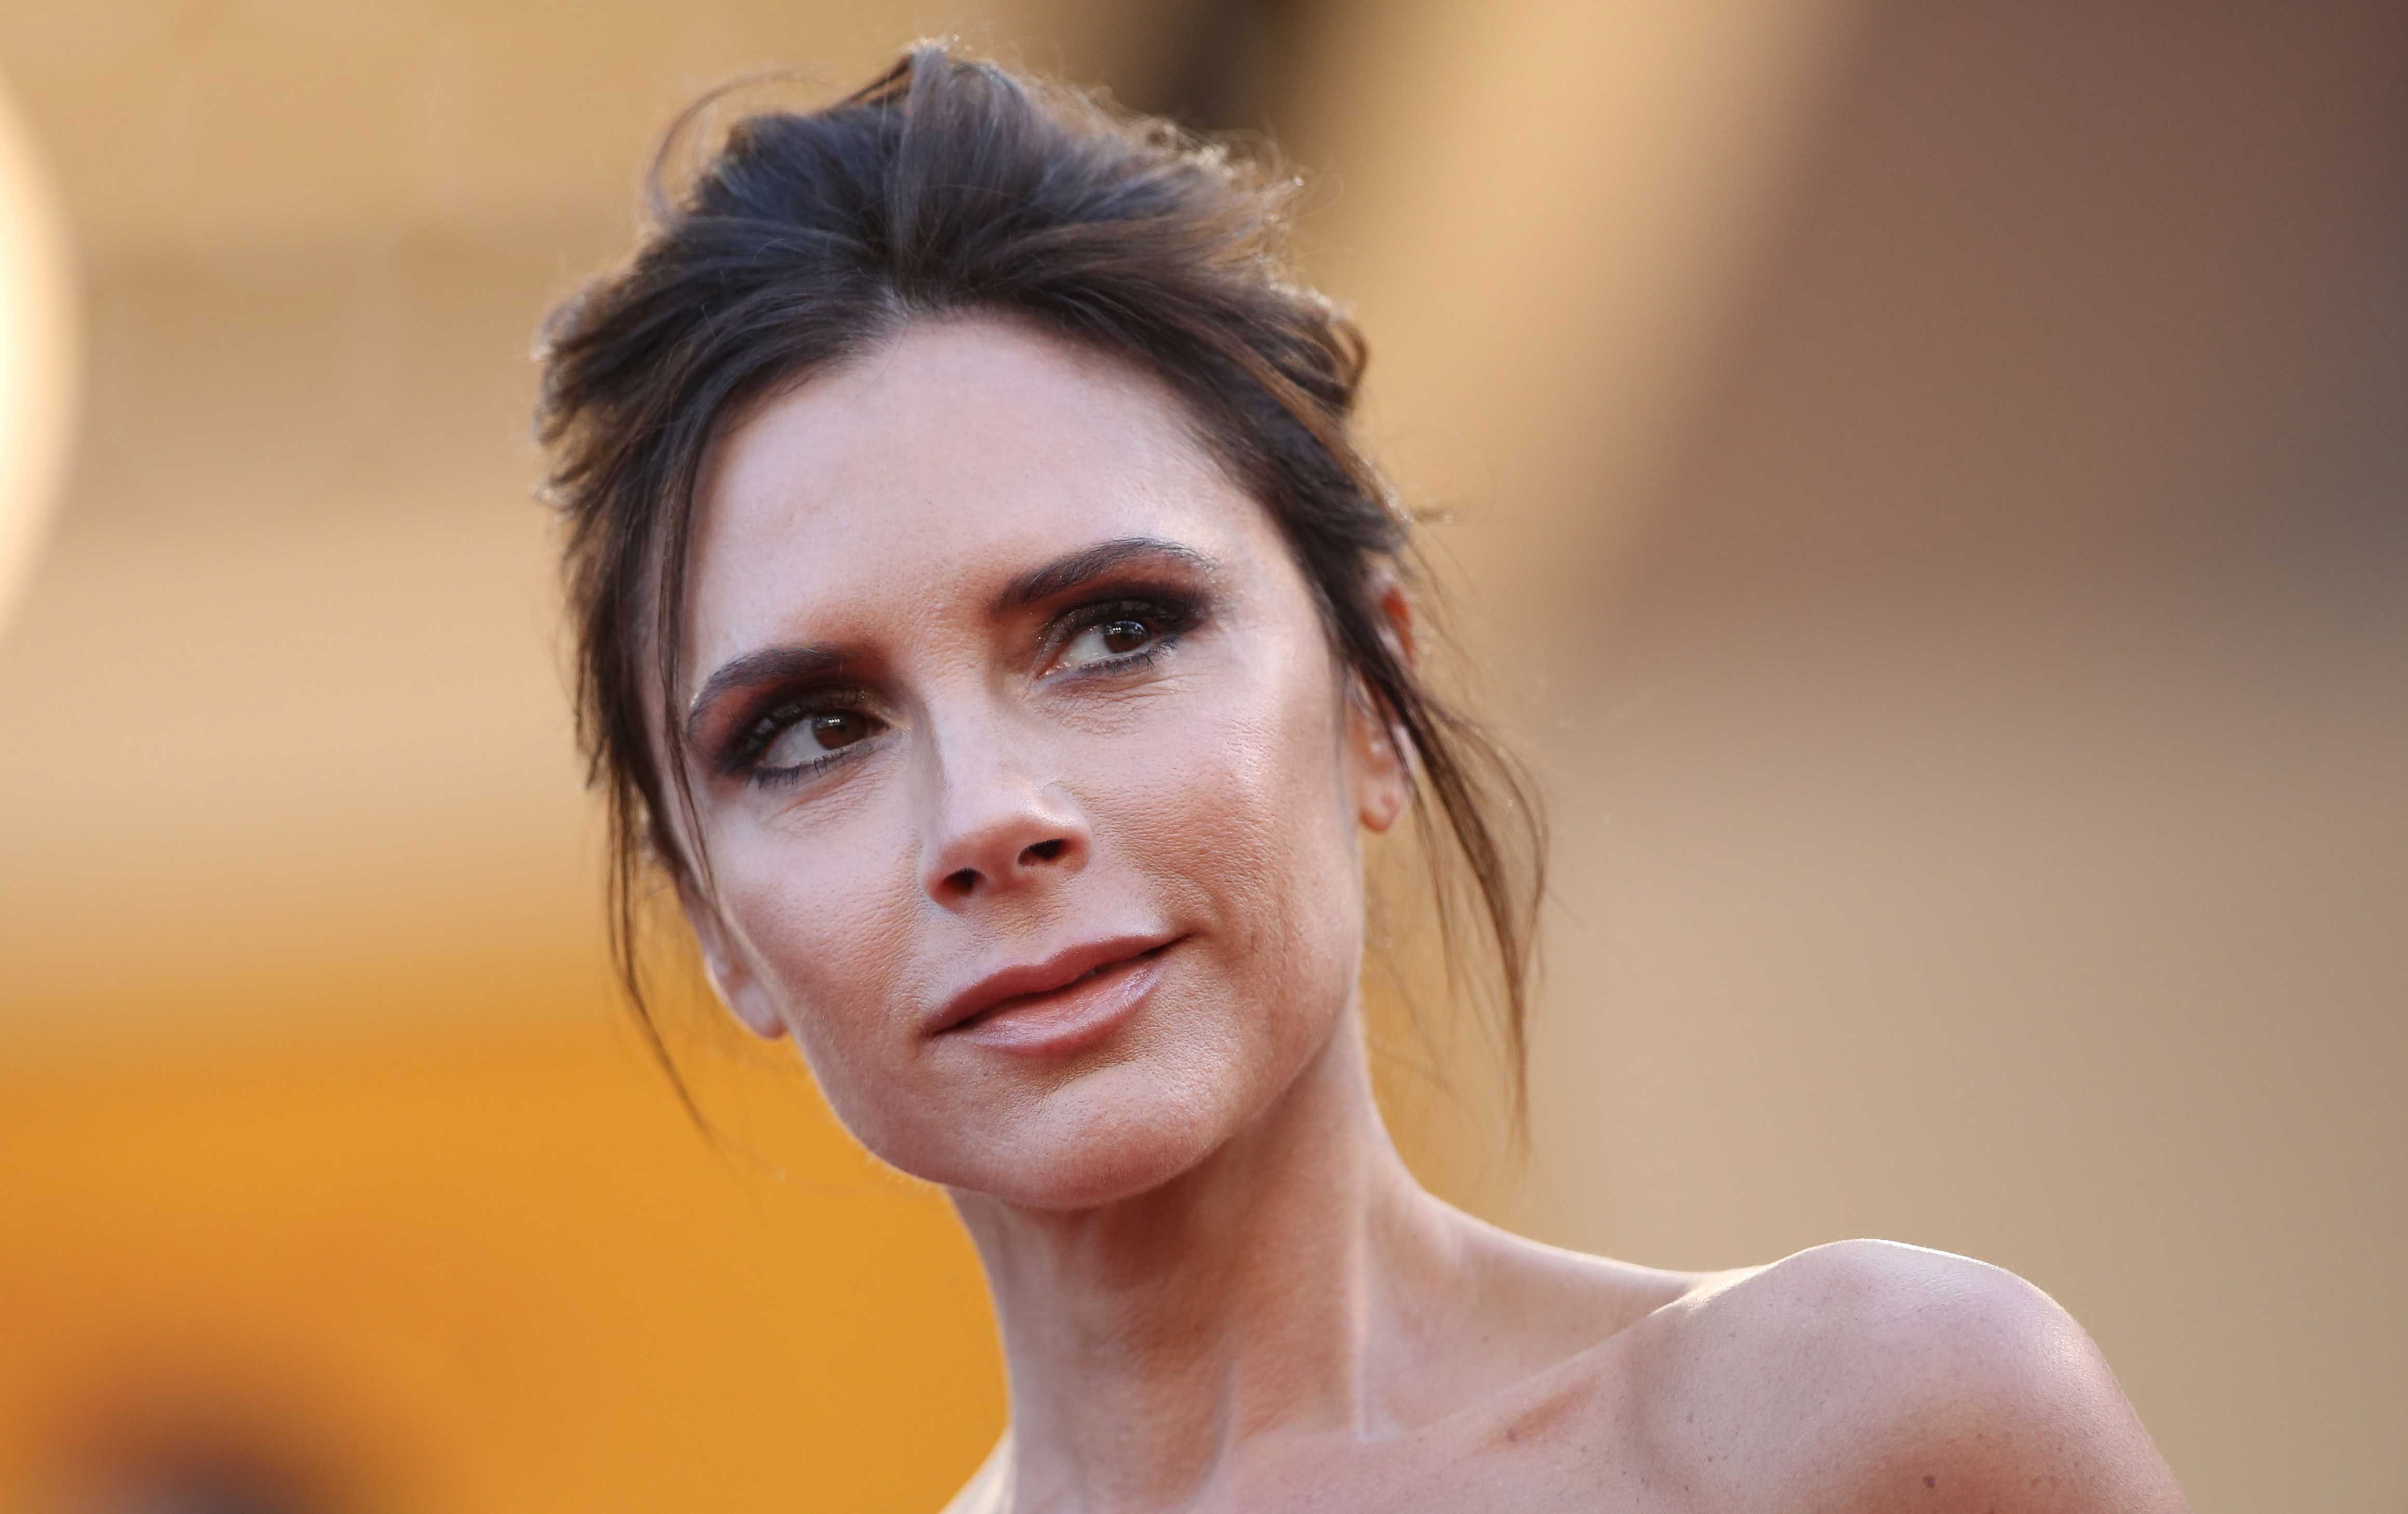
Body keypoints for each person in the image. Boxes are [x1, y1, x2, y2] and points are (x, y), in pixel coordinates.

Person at [533, 42, 2187, 1513]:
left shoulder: (1865, 1429)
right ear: (717, 921)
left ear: (1367, 705)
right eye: (814, 731)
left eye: (1115, 631)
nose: (986, 817)